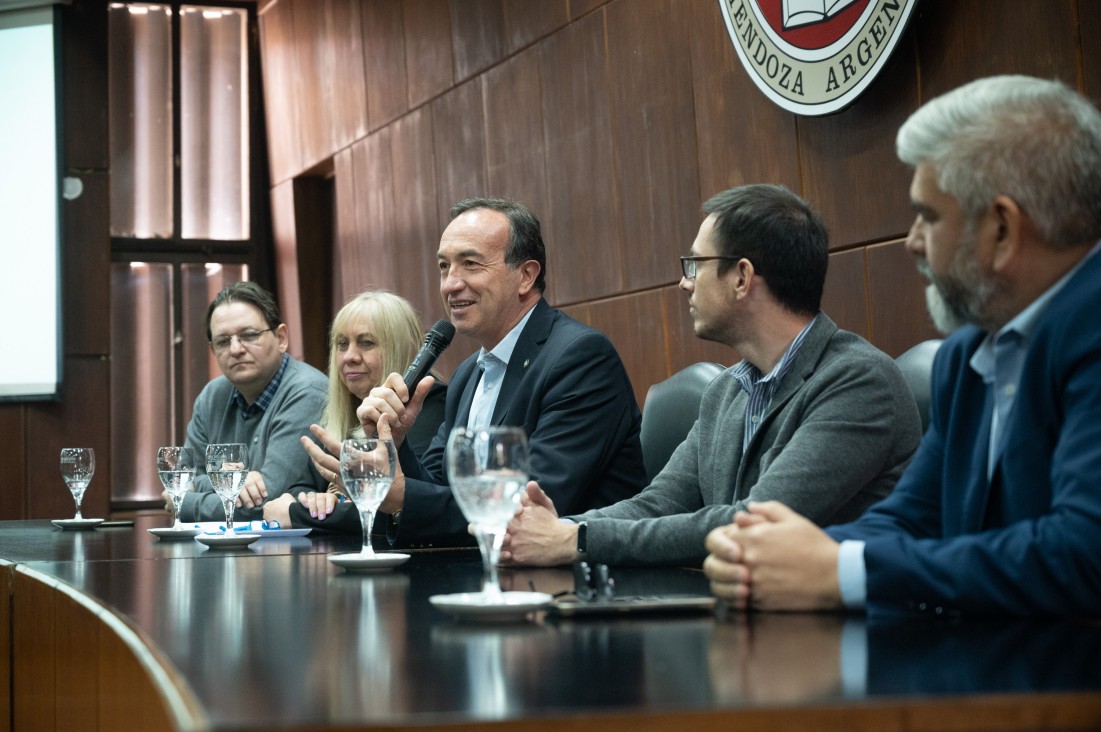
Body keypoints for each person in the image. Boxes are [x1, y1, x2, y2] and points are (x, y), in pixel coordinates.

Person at [703, 75, 1101, 616]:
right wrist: (780, 553)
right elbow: (911, 516)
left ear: (1003, 228)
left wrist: (843, 571)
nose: (912, 240)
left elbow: (1082, 554)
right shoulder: (967, 357)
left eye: (930, 216)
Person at [502, 184, 923, 567]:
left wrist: (576, 539)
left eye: (694, 265)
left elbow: (753, 524)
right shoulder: (727, 390)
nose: (684, 284)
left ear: (741, 277)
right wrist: (552, 529)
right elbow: (658, 504)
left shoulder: (859, 383)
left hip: (844, 637)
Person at [301, 196, 646, 547]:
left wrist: (400, 495)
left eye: (470, 264)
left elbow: (530, 505)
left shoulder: (580, 358)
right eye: (443, 267)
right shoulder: (469, 374)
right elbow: (439, 487)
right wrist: (398, 447)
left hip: (578, 585)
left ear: (526, 276)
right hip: (483, 574)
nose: (450, 284)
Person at [261, 290, 447, 530]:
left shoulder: (431, 403)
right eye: (342, 344)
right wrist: (314, 500)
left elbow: (399, 508)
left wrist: (300, 514)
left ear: (403, 348)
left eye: (366, 343)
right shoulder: (346, 408)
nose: (349, 357)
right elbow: (301, 486)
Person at [174, 282, 329, 522]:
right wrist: (234, 479)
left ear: (281, 338)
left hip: (294, 552)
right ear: (213, 351)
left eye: (249, 335)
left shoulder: (308, 392)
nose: (235, 349)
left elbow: (267, 503)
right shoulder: (212, 396)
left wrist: (187, 504)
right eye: (223, 341)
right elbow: (181, 478)